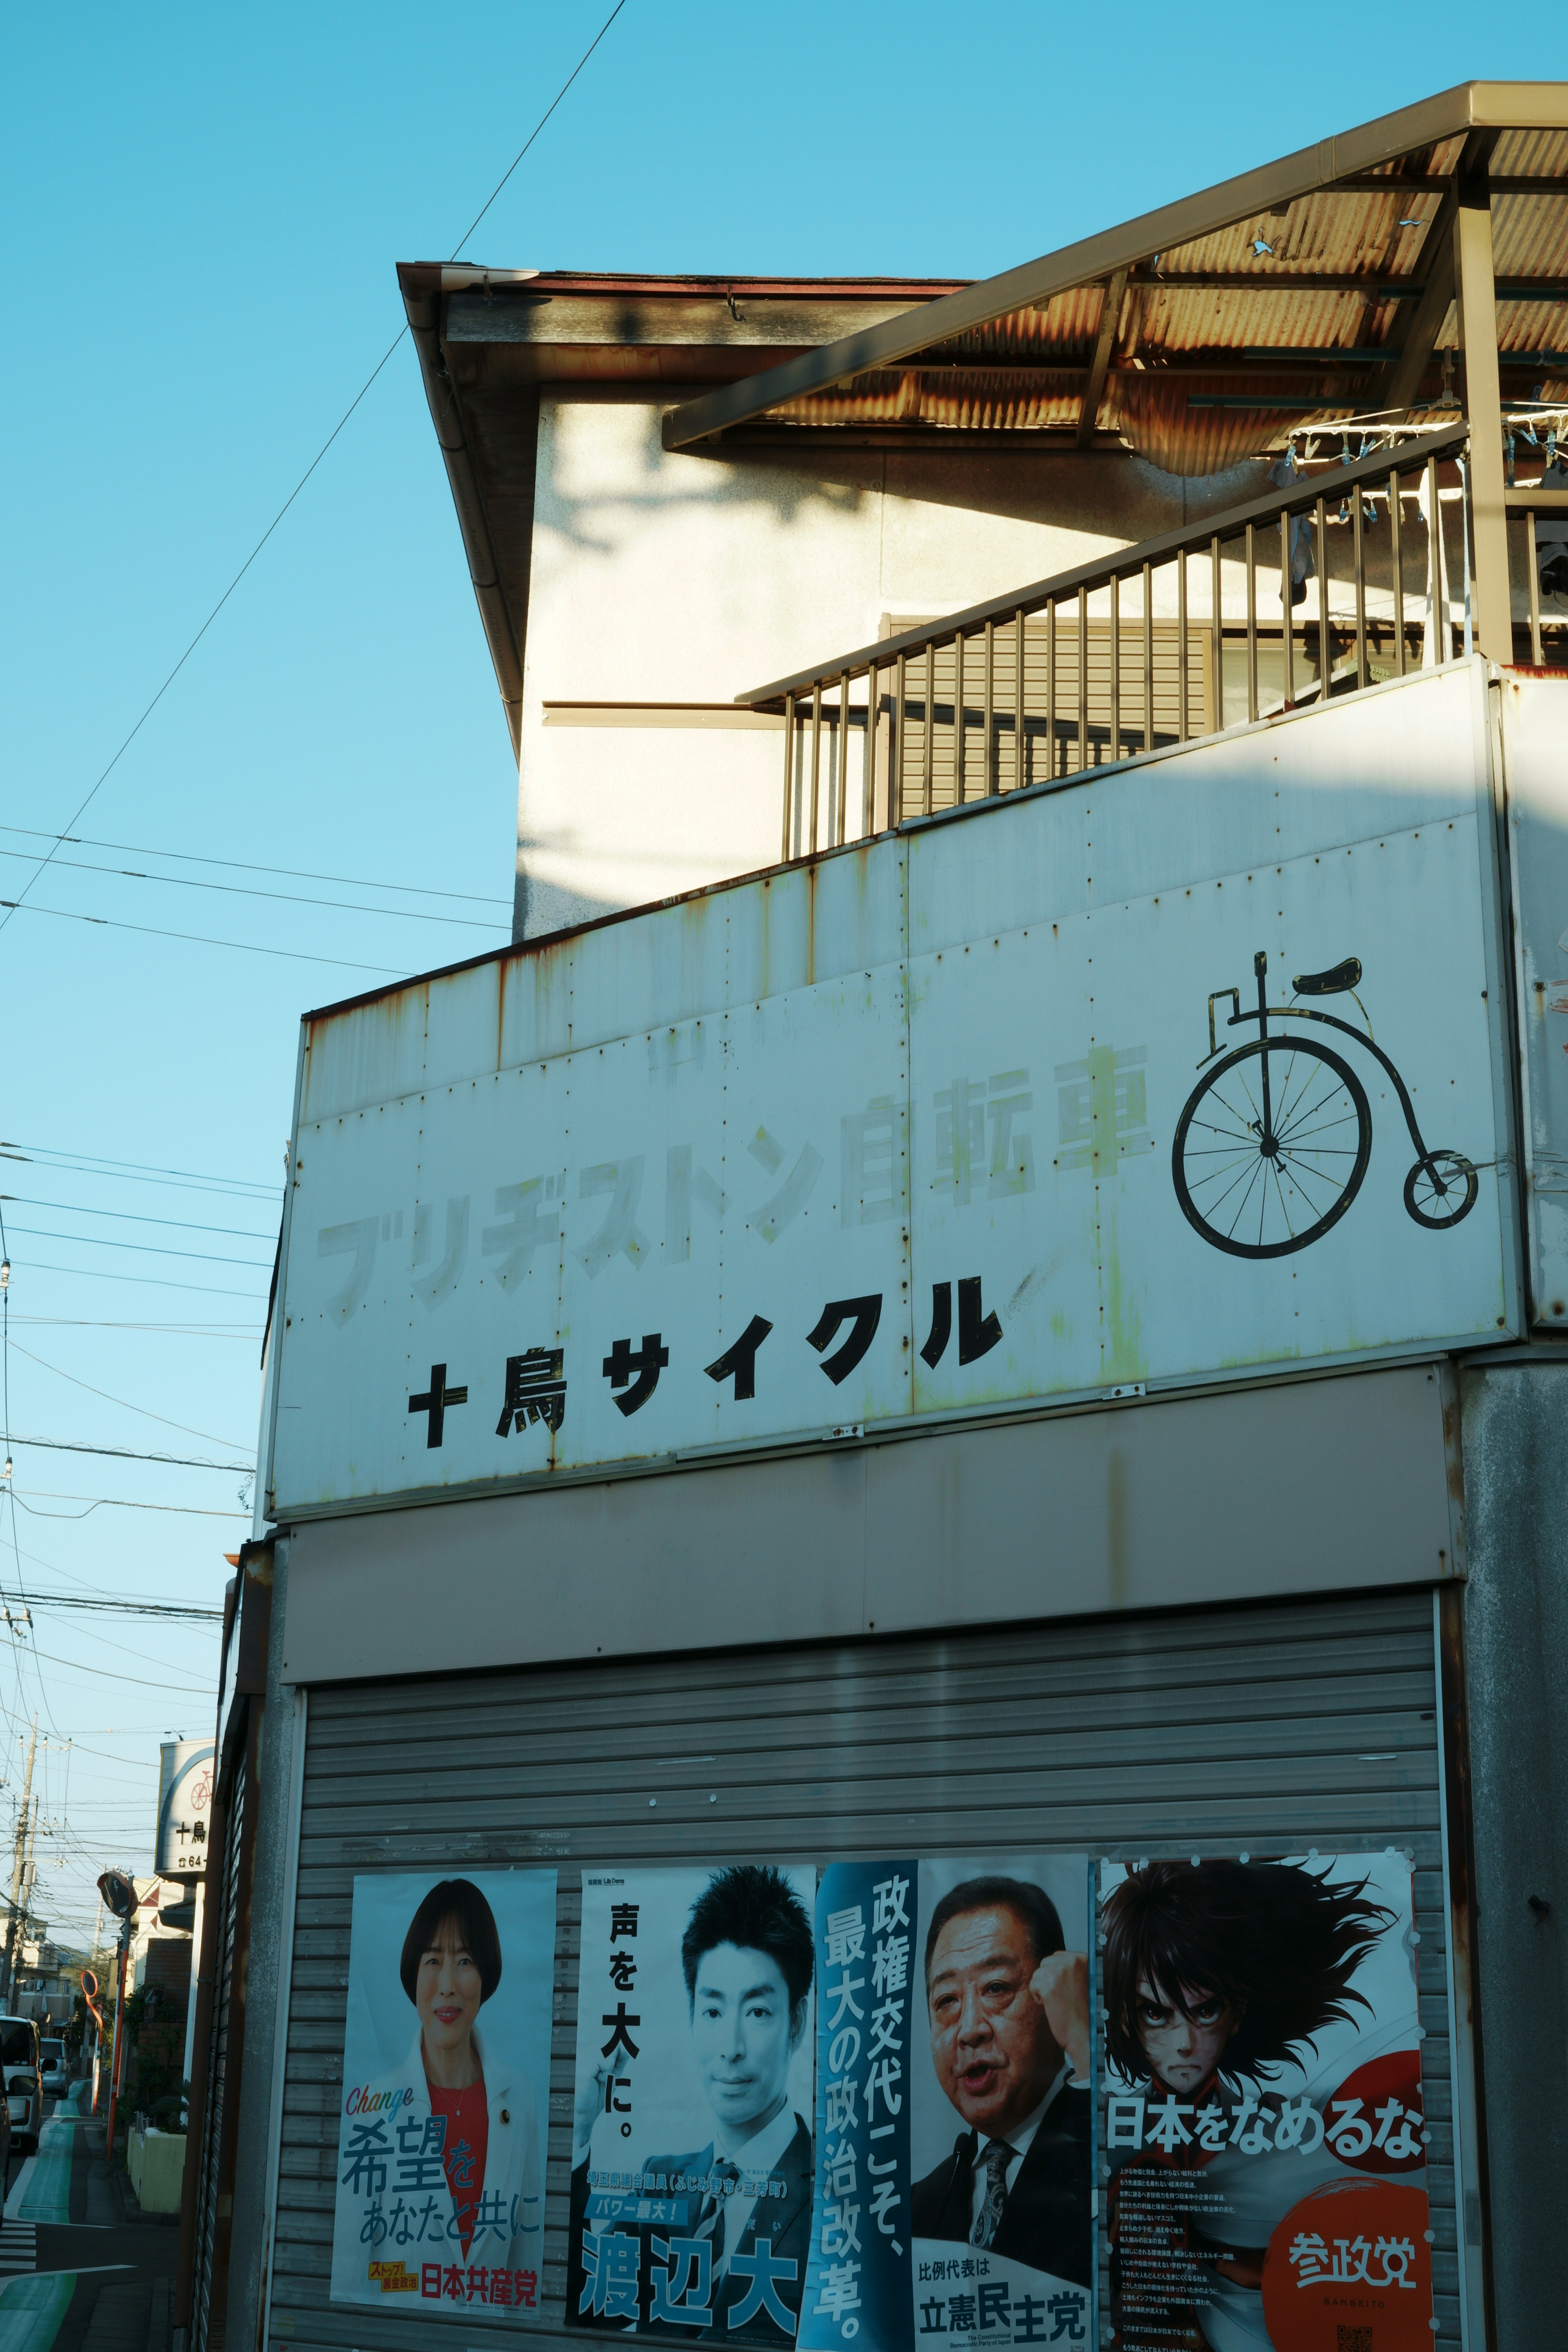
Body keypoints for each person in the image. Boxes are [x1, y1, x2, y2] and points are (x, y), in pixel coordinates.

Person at [1100, 1858, 1397, 2352]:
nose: (1184, 2043)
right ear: (1128, 2019)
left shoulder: (1277, 2133)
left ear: (1236, 2013)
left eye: (1205, 2010)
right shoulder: (1102, 2139)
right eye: (1157, 2013)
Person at [569, 1864, 815, 2339]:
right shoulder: (663, 2182)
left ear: (797, 2022)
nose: (731, 2046)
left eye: (758, 2011)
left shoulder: (831, 2188)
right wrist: (581, 2132)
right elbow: (589, 2303)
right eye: (713, 2010)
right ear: (692, 2017)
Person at [911, 1874, 1092, 2288]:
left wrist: (1086, 2044)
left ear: (1055, 1996)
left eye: (996, 1988)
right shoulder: (919, 2206)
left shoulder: (1113, 2155)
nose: (968, 2029)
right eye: (947, 2001)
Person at [366, 1878, 542, 2284]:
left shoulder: (518, 2097)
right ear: (414, 1974)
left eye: (464, 1961)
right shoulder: (376, 2103)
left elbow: (524, 2263)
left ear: (485, 1975)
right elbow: (352, 2271)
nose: (447, 1986)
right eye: (433, 1961)